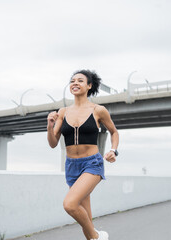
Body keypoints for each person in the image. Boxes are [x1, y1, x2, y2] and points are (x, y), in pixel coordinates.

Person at [47, 70, 119, 240]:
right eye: (72, 81)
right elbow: (53, 143)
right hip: (72, 166)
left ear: (89, 86)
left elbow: (114, 132)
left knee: (70, 204)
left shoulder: (98, 110)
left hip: (92, 163)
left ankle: (97, 235)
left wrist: (113, 150)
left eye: (80, 80)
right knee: (85, 216)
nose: (75, 83)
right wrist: (50, 126)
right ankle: (94, 237)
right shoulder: (62, 112)